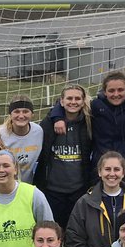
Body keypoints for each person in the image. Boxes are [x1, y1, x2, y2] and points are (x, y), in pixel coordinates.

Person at [34, 84, 94, 228]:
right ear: (61, 101)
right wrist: (56, 117)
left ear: (83, 101)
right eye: (69, 98)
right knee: (54, 230)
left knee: (76, 230)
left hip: (79, 190)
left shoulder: (89, 122)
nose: (73, 102)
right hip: (53, 191)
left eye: (77, 99)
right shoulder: (49, 122)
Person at [0, 96, 44, 182]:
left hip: (27, 186)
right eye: (16, 111)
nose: (21, 116)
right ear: (10, 115)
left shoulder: (38, 131)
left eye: (25, 111)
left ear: (32, 114)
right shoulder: (1, 134)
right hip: (4, 184)